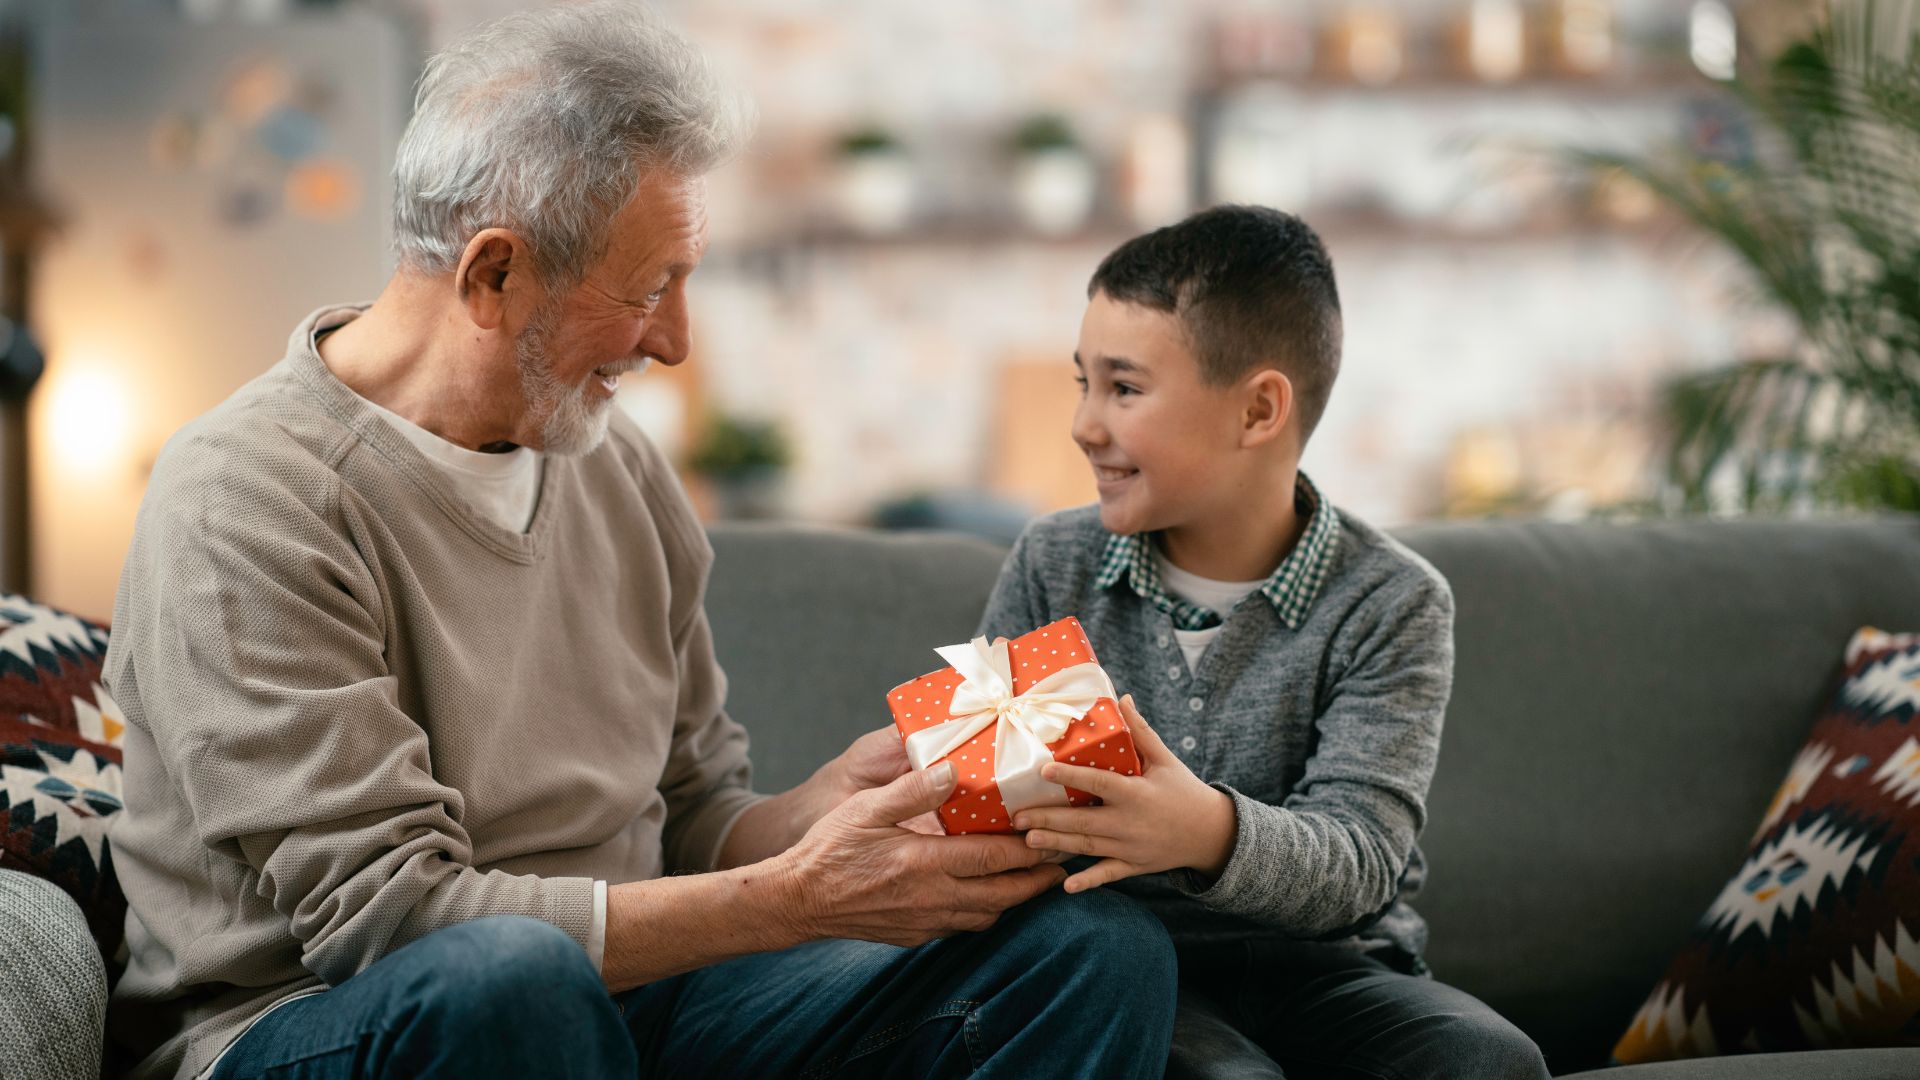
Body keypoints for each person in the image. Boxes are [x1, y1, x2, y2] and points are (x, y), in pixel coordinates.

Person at [103, 6, 1175, 1078]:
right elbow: (392, 921)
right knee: (512, 981)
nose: (676, 340)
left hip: (634, 1001)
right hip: (337, 1017)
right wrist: (792, 900)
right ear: (493, 276)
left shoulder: (614, 466)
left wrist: (819, 816)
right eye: (650, 287)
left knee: (1088, 951)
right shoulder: (245, 498)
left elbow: (696, 811)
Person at [976, 205, 1552, 1079]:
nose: (1085, 424)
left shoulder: (1391, 602)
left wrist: (1201, 830)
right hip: (1131, 966)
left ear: (1258, 410)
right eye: (1082, 383)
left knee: (1489, 1062)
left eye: (1124, 389)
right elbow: (994, 794)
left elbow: (1360, 862)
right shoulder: (1055, 565)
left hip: (1335, 972)